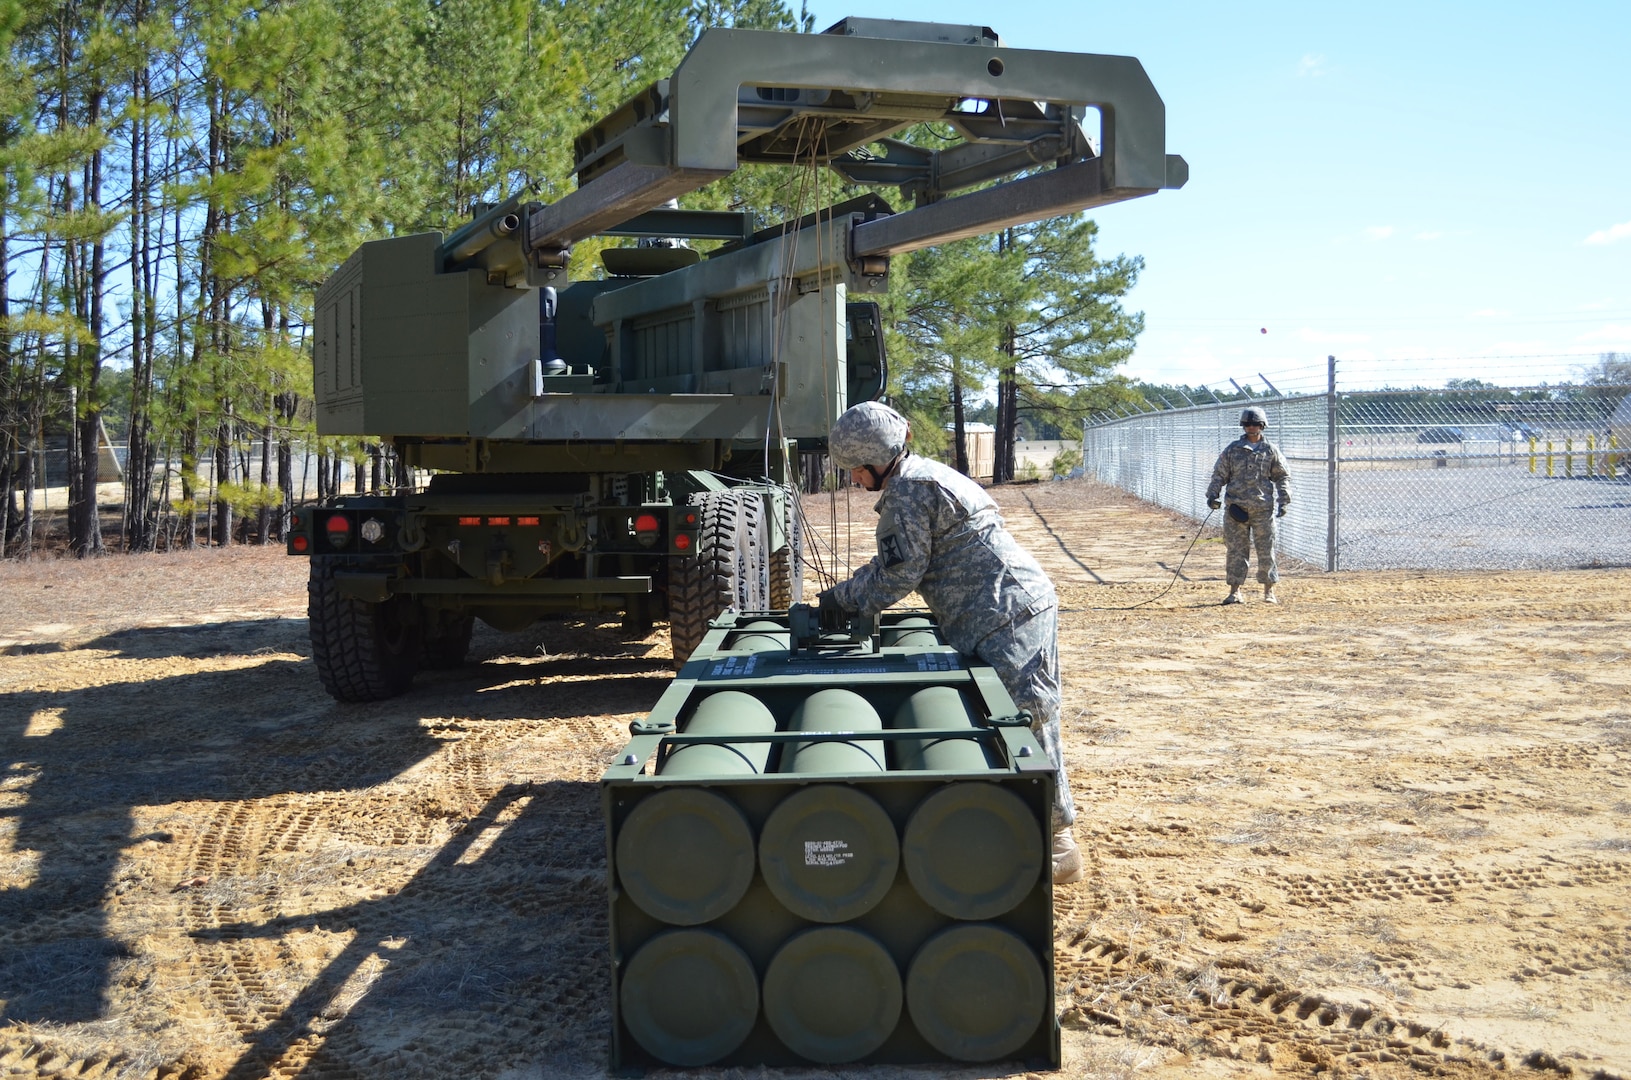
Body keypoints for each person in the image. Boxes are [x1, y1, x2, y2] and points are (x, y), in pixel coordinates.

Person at [816, 401, 1082, 885]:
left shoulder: (909, 492)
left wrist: (841, 599)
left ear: (877, 460)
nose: (853, 481)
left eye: (855, 471)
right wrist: (851, 592)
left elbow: (899, 575)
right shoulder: (921, 478)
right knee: (1013, 722)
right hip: (998, 614)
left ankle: (1057, 844)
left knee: (1027, 723)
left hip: (1008, 616)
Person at [1205, 406, 1291, 604]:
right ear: (1243, 426)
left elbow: (1282, 476)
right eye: (1248, 424)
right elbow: (1219, 474)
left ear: (1262, 426)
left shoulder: (1270, 450)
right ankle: (1235, 591)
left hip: (1263, 510)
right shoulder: (1233, 450)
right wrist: (1212, 494)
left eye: (1256, 424)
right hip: (1237, 509)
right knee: (1236, 551)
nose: (1251, 428)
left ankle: (1269, 591)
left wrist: (1284, 499)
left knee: (1266, 551)